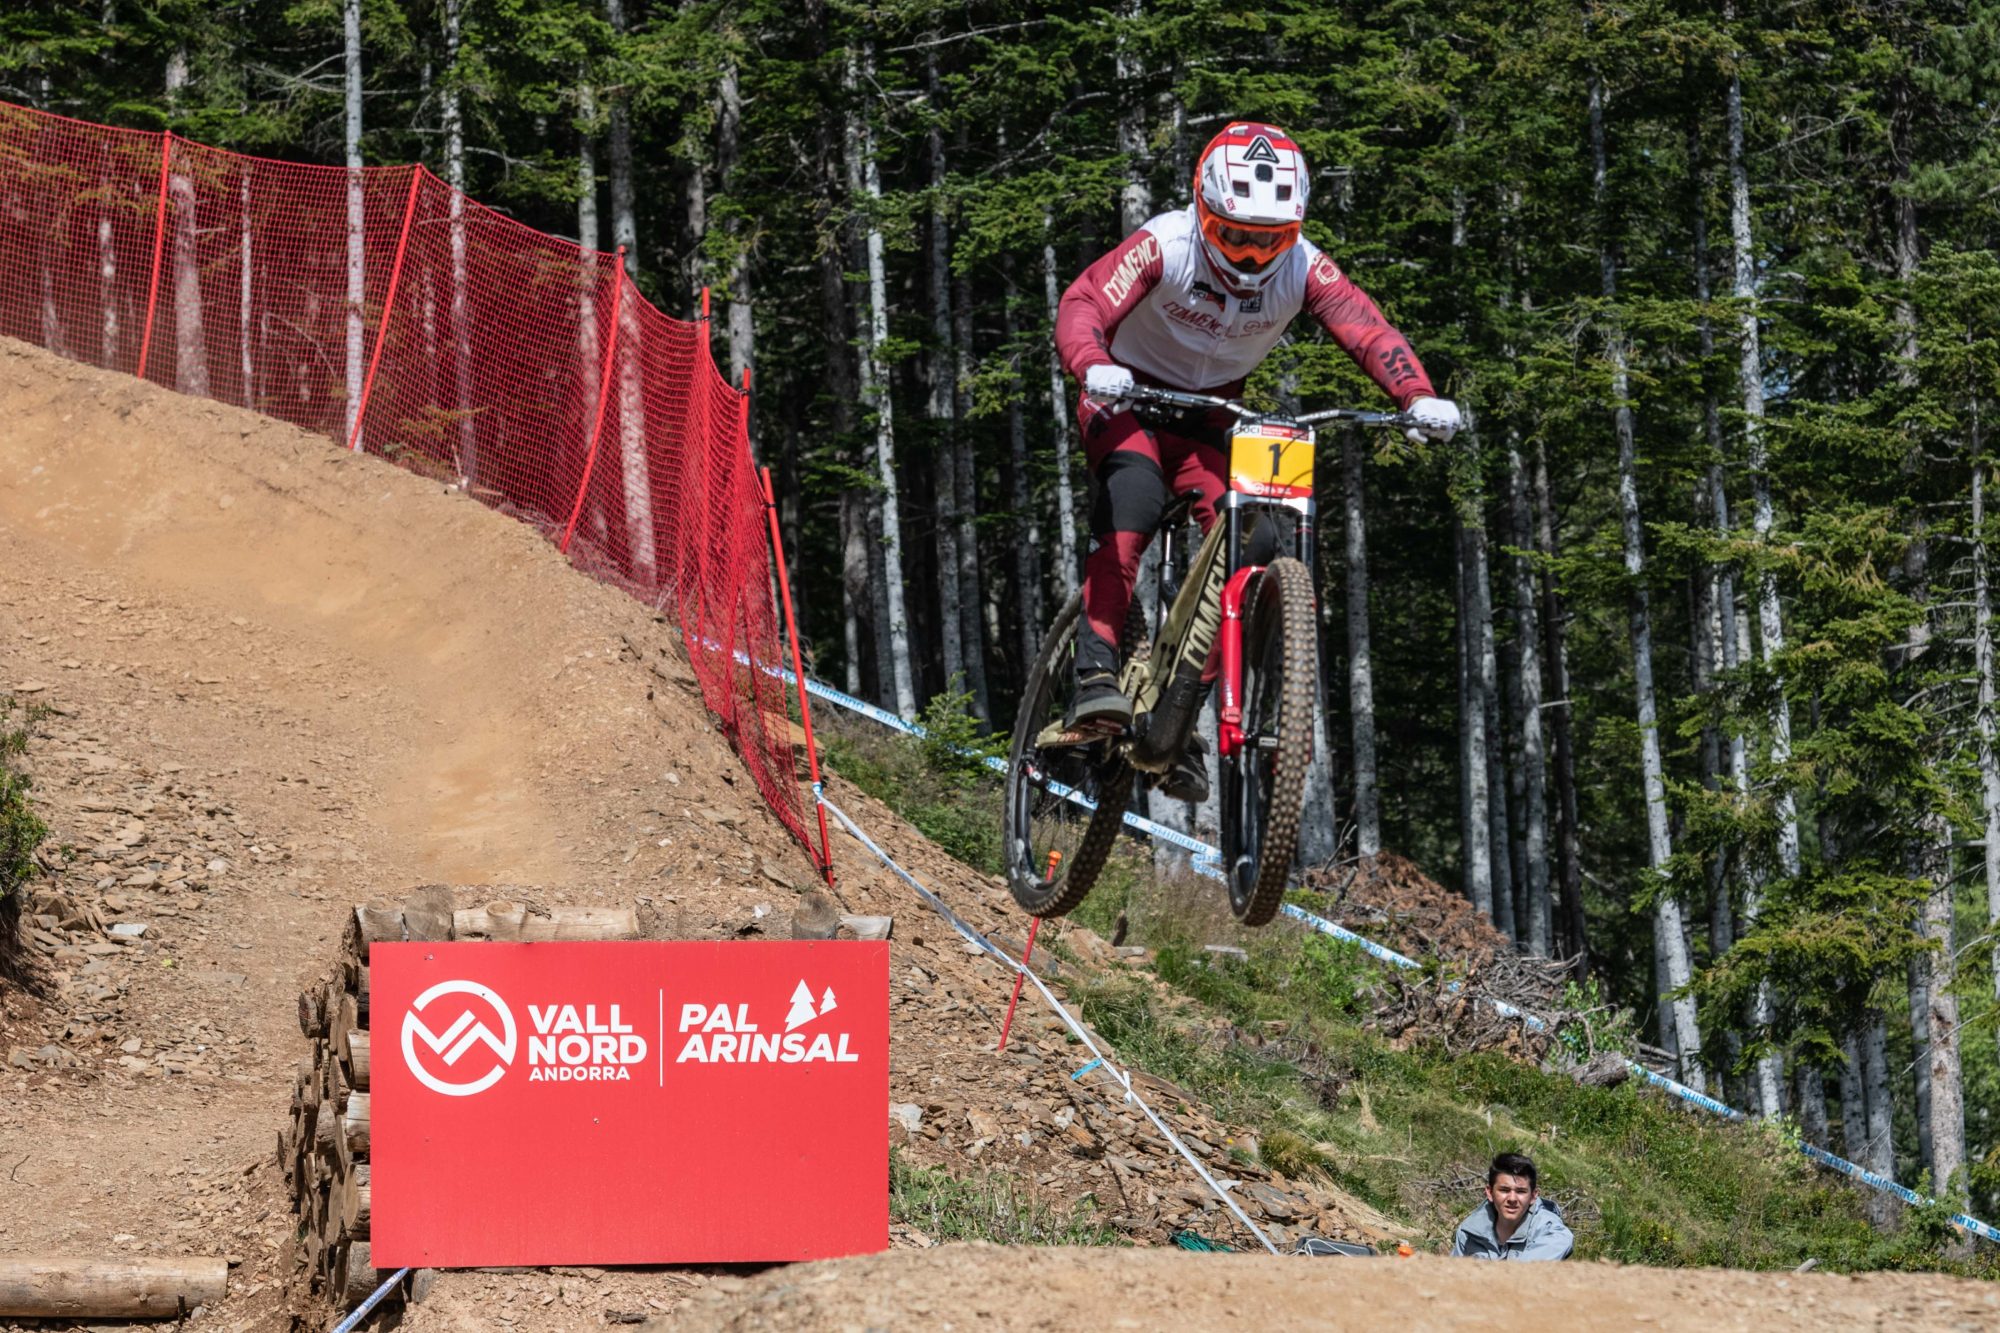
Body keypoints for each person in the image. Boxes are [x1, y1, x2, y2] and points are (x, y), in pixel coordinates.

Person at [1054, 120, 1460, 800]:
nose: (1247, 256)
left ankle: (1175, 719)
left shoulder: (1305, 267)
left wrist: (1415, 394)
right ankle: (1093, 672)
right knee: (1135, 498)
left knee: (1253, 538)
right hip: (1125, 396)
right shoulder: (1167, 241)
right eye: (1233, 234)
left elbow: (1365, 328)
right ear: (1202, 210)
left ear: (1293, 230)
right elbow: (1084, 299)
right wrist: (1093, 361)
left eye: (1267, 240)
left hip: (1212, 415)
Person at [1451, 1152, 1575, 1261]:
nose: (1512, 1199)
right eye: (1504, 1190)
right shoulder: (1469, 1232)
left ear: (1533, 1196)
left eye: (1520, 1191)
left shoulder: (1552, 1233)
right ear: (1489, 1193)